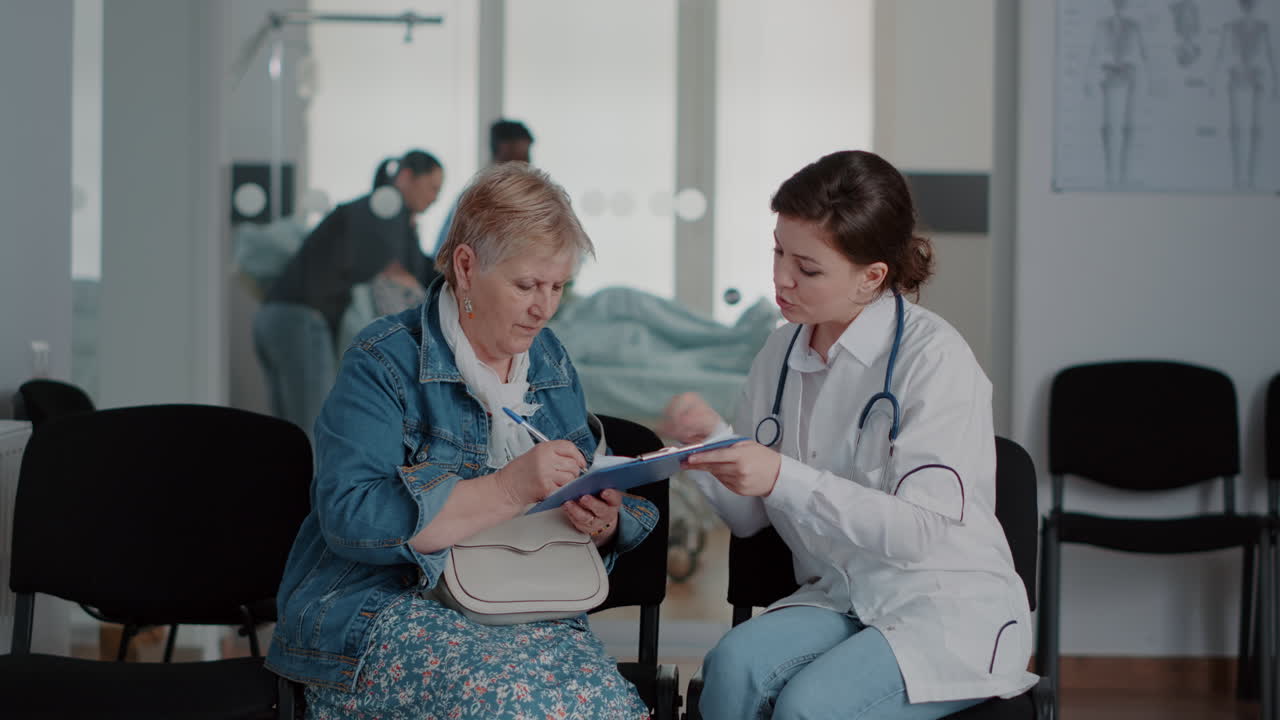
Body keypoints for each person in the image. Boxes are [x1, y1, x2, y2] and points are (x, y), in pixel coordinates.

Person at [265, 162, 658, 720]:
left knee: (613, 711)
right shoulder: (383, 359)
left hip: (524, 603)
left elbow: (580, 493)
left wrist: (601, 519)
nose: (544, 308)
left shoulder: (549, 361)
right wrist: (508, 488)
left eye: (557, 287)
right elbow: (350, 516)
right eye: (526, 285)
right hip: (390, 608)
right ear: (467, 267)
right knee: (521, 708)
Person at [660, 150, 1037, 720]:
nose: (781, 278)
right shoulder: (779, 353)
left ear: (871, 278)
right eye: (778, 251)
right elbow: (748, 518)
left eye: (807, 268)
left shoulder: (933, 361)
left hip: (939, 605)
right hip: (838, 594)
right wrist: (707, 444)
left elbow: (920, 534)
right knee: (730, 671)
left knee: (810, 707)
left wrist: (781, 473)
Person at [253, 149, 444, 441]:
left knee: (288, 432)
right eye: (432, 187)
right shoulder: (386, 212)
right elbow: (408, 271)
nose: (435, 198)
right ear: (406, 177)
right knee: (311, 430)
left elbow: (417, 267)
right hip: (301, 321)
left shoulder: (372, 211)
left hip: (273, 317)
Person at [431, 119, 535, 256]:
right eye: (523, 155)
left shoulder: (517, 196)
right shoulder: (479, 198)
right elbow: (443, 255)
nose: (528, 163)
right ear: (504, 149)